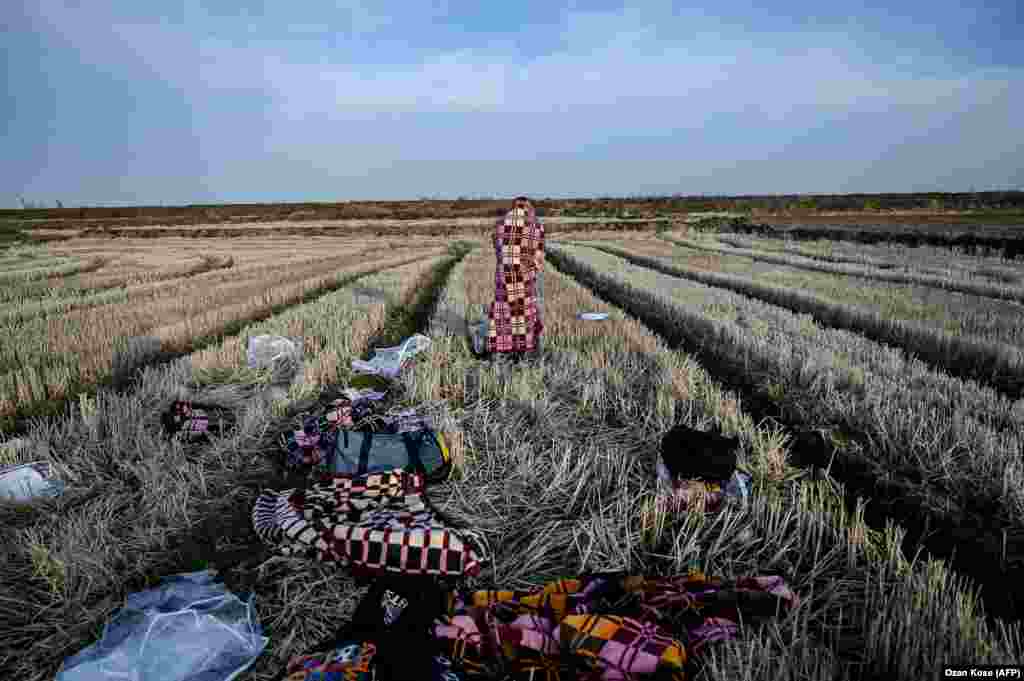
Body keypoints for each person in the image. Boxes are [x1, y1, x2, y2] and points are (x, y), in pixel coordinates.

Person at [485, 196, 545, 362]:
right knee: (525, 313)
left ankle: (502, 352)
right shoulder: (536, 224)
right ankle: (525, 351)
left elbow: (498, 252)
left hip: (504, 277)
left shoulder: (500, 223)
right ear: (528, 207)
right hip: (525, 278)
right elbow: (538, 260)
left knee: (503, 314)